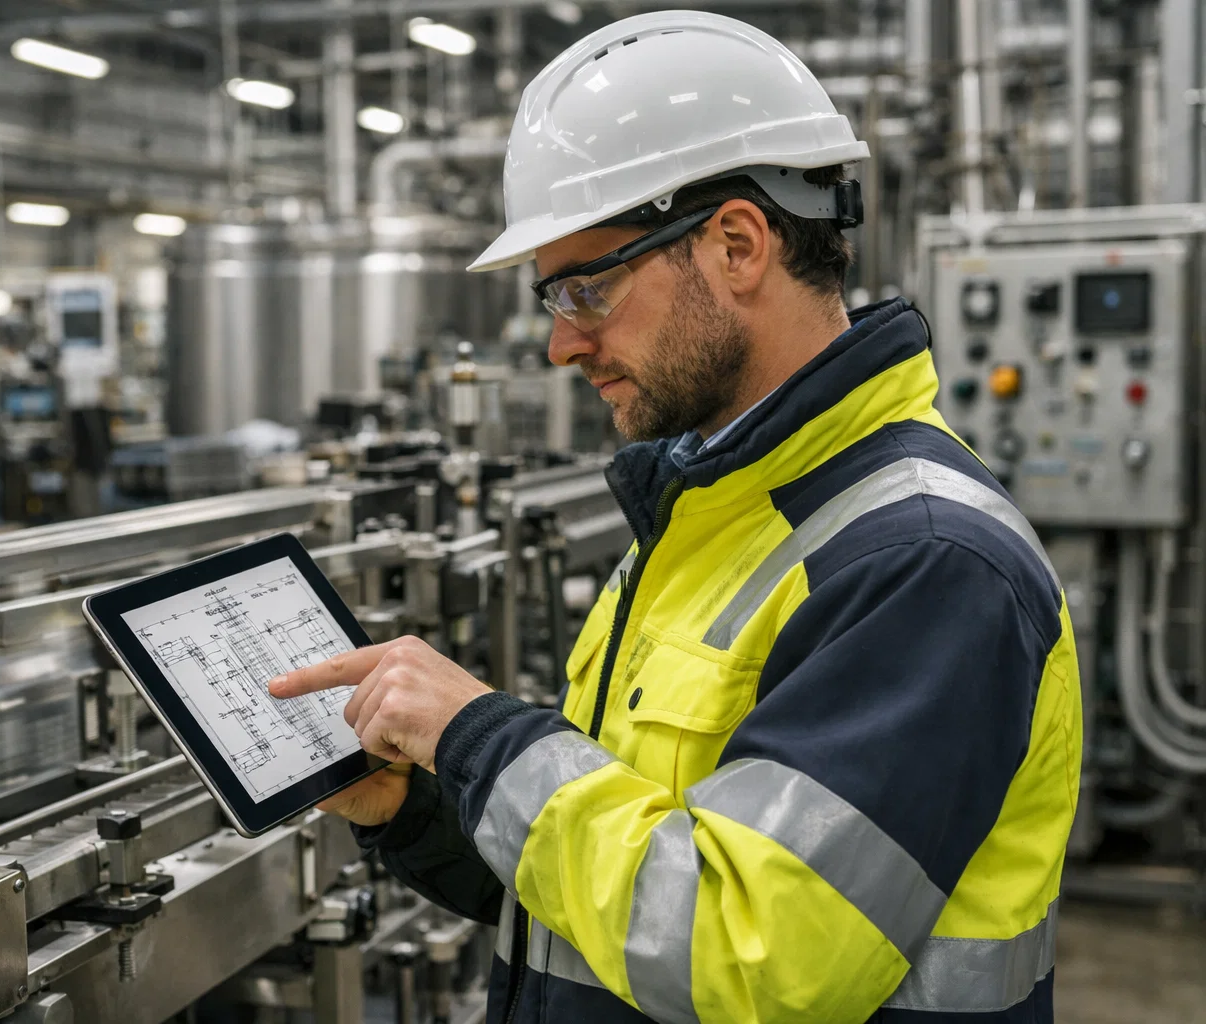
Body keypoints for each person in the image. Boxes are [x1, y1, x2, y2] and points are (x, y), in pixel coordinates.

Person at [271, 11, 1079, 1023]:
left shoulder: (923, 561)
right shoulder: (712, 516)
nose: (563, 346)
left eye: (586, 290)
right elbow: (614, 888)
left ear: (737, 244)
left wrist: (479, 735)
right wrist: (417, 804)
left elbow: (756, 956)